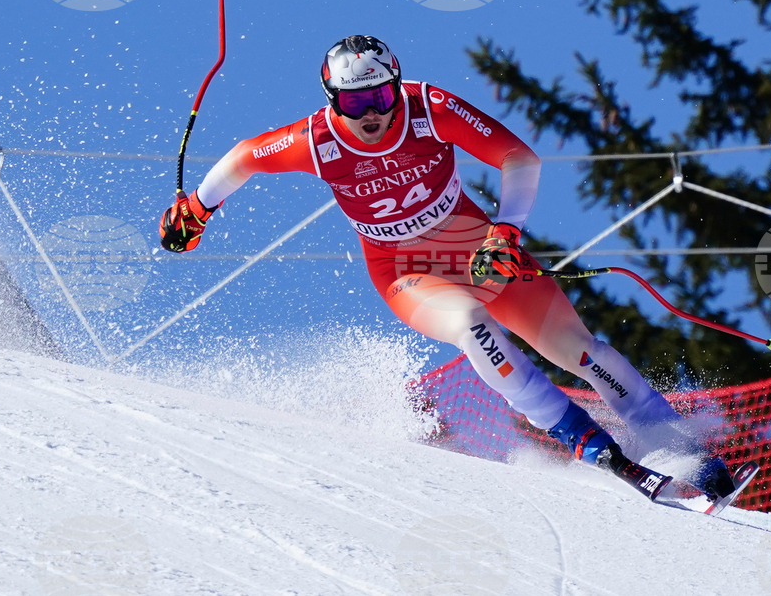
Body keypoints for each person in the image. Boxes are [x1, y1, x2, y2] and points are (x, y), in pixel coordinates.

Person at [159, 35, 735, 501]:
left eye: (381, 98)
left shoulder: (428, 108)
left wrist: (507, 227)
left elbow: (518, 157)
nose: (371, 116)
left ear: (396, 86)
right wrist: (198, 210)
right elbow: (243, 157)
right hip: (405, 271)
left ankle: (673, 442)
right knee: (471, 326)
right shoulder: (316, 140)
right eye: (354, 104)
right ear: (332, 100)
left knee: (579, 350)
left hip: (478, 247)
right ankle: (586, 443)